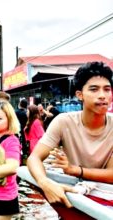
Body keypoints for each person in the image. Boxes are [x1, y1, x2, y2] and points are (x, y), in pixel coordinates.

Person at [27, 61, 113, 208]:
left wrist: (75, 170)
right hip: (77, 197)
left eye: (107, 89)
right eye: (94, 89)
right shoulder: (64, 122)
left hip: (106, 198)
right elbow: (34, 158)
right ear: (80, 95)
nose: (102, 95)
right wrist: (45, 182)